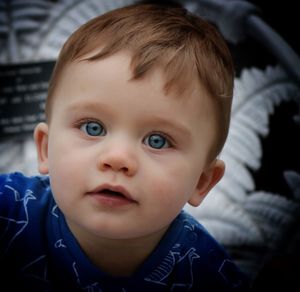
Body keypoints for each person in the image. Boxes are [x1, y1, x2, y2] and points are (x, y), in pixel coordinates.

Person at [0, 2, 250, 291]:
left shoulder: (210, 276)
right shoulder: (10, 211)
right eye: (93, 127)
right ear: (45, 149)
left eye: (158, 141)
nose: (118, 158)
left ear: (202, 181)